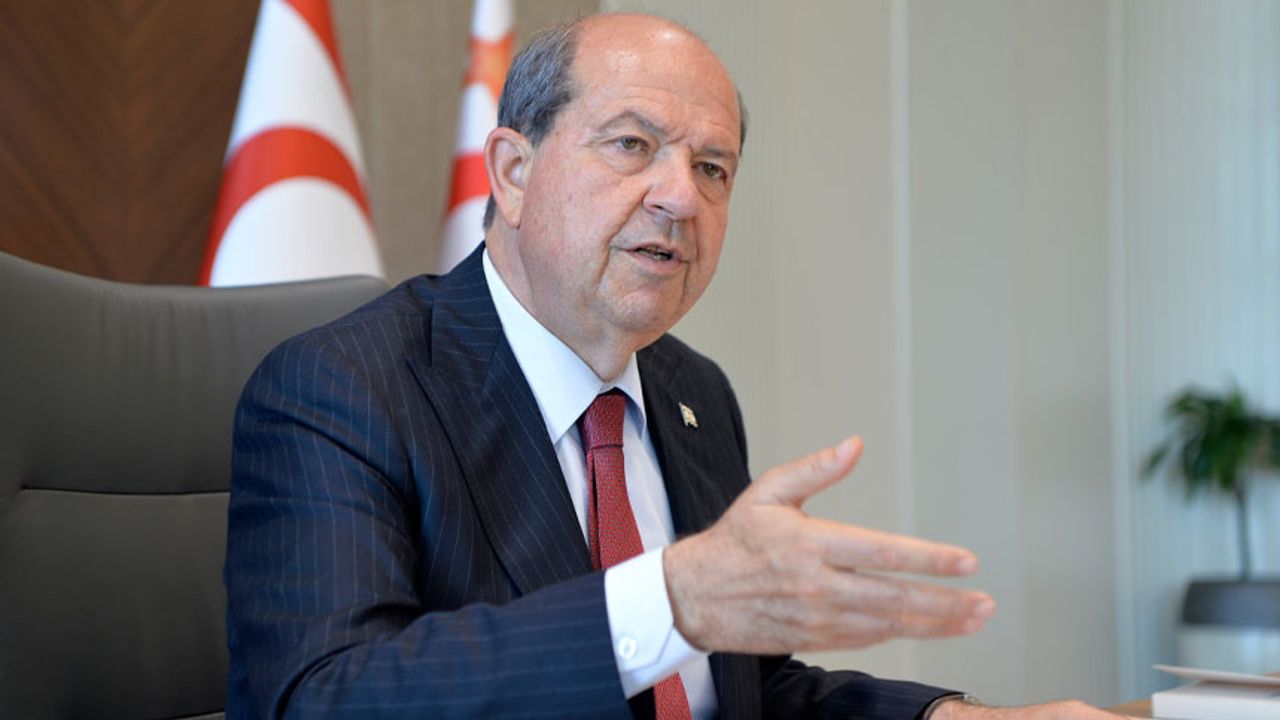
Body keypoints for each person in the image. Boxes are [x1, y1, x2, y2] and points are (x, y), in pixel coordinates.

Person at [225, 12, 1135, 720]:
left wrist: (950, 717)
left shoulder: (692, 391)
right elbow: (326, 698)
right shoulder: (341, 388)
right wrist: (672, 600)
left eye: (712, 168)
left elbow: (741, 690)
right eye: (632, 144)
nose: (679, 197)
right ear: (512, 171)